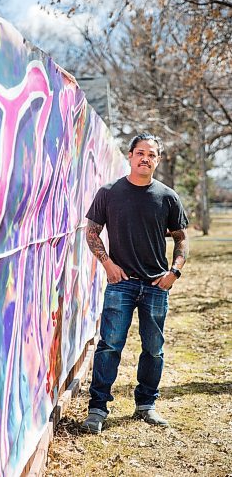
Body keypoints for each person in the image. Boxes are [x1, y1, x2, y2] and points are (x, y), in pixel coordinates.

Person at [82, 132, 189, 434]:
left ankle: (146, 405)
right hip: (121, 284)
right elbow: (91, 232)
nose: (145, 158)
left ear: (158, 159)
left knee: (153, 348)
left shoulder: (168, 197)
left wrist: (174, 273)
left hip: (156, 285)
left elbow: (181, 240)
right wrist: (107, 263)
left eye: (152, 154)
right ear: (129, 156)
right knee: (109, 346)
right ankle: (97, 408)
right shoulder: (109, 192)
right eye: (140, 152)